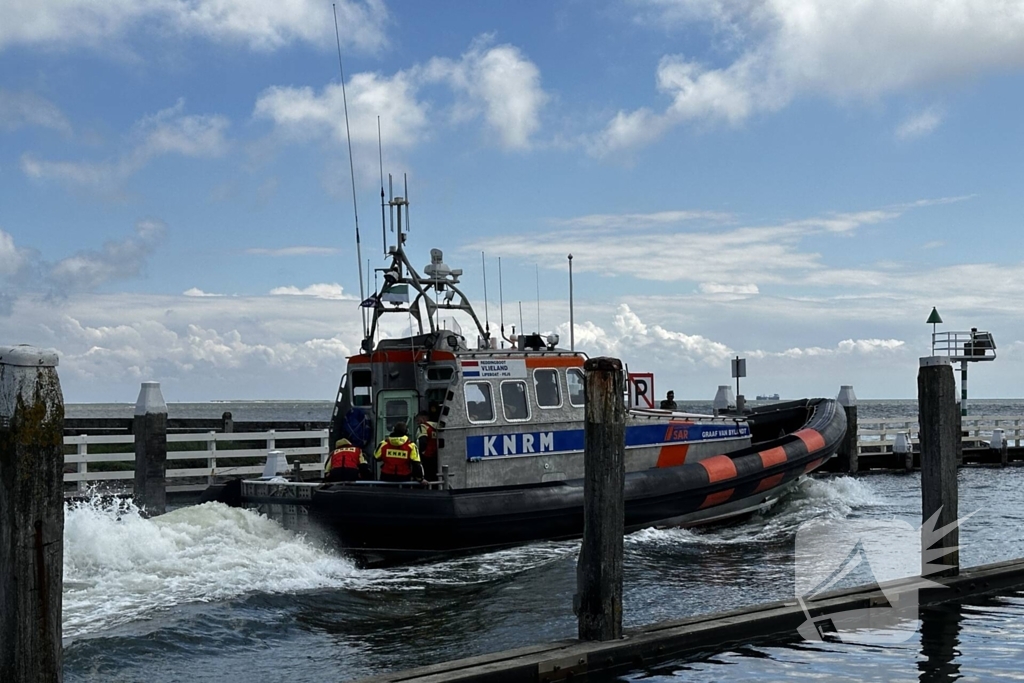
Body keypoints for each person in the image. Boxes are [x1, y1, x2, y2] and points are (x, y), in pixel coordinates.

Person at [416, 411, 439, 481]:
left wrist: (422, 452)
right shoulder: (438, 426)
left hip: (427, 456)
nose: (417, 422)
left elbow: (422, 440)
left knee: (426, 476)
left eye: (418, 420)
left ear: (423, 418)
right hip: (437, 455)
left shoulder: (423, 427)